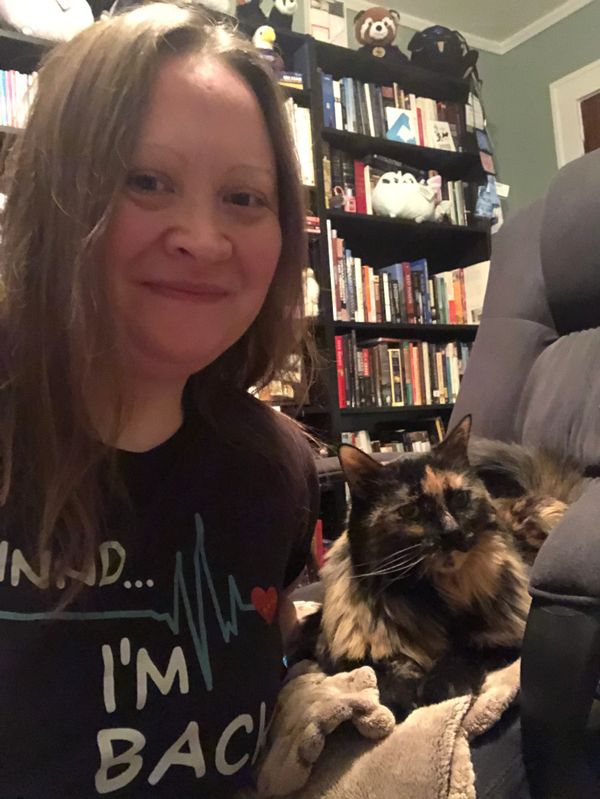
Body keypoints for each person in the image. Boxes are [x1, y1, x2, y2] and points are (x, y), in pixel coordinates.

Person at [0, 2, 319, 797]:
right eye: (148, 181)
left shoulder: (279, 472)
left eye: (244, 198)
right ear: (55, 193)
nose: (202, 238)